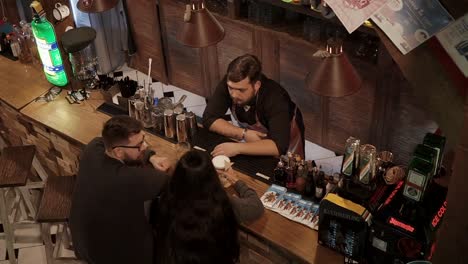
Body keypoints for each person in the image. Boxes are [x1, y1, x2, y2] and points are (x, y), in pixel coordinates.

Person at [70, 115, 171, 264]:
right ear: (118, 152)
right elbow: (167, 180)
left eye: (143, 140)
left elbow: (99, 140)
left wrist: (150, 156)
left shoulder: (94, 148)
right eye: (139, 145)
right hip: (112, 255)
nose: (144, 146)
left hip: (82, 242)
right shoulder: (129, 179)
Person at [153, 150, 264, 264]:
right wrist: (235, 180)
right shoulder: (222, 203)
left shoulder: (165, 199)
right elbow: (256, 207)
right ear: (212, 177)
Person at [203, 54, 305, 158]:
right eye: (230, 88)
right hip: (254, 136)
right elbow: (209, 118)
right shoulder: (232, 83)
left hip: (285, 136)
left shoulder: (276, 99)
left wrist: (237, 148)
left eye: (241, 90)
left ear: (256, 85)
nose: (233, 94)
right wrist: (243, 133)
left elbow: (278, 147)